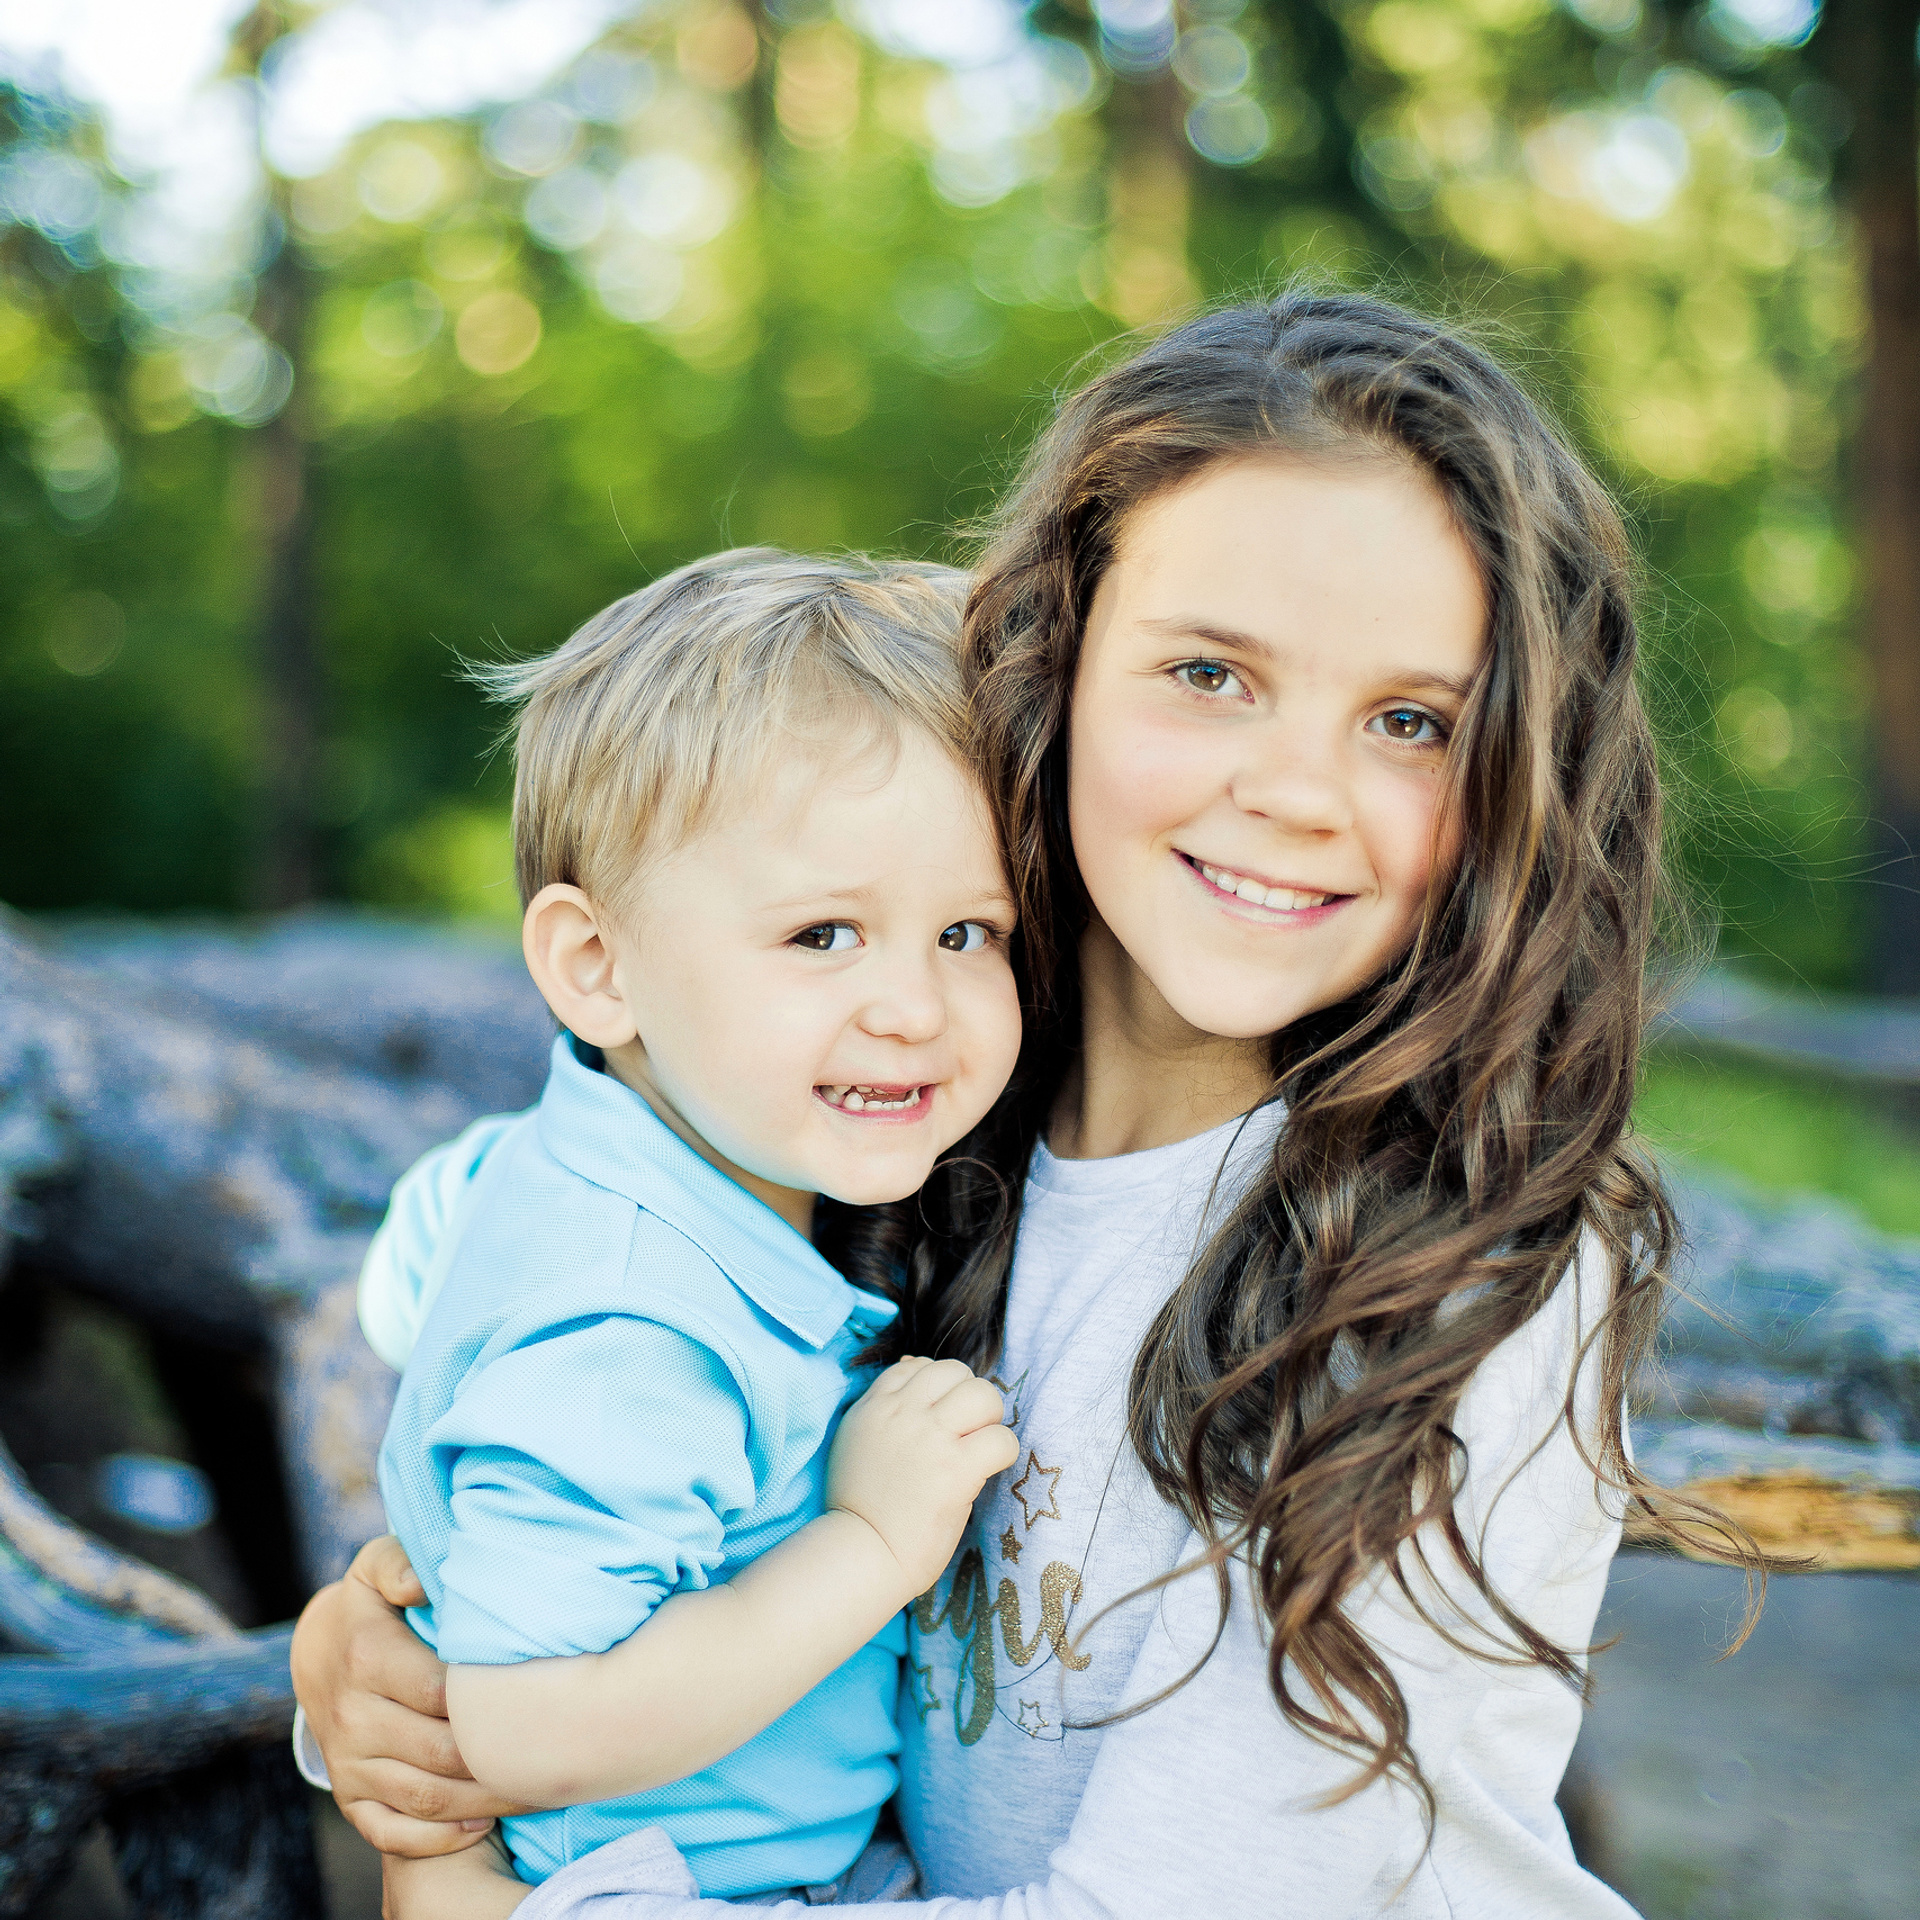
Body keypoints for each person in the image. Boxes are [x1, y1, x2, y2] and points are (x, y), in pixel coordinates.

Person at [294, 290, 1740, 1918]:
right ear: (1054, 661)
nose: (1295, 791)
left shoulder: (1453, 1275)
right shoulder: (899, 1121)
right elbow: (561, 1450)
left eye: (1412, 722)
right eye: (1209, 673)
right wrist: (377, 1671)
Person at [343, 550, 1026, 1902]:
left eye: (969, 932)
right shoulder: (630, 1322)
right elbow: (530, 1726)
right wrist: (870, 1545)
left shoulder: (536, 1172)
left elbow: (407, 1278)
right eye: (825, 935)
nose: (914, 1005)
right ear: (596, 969)